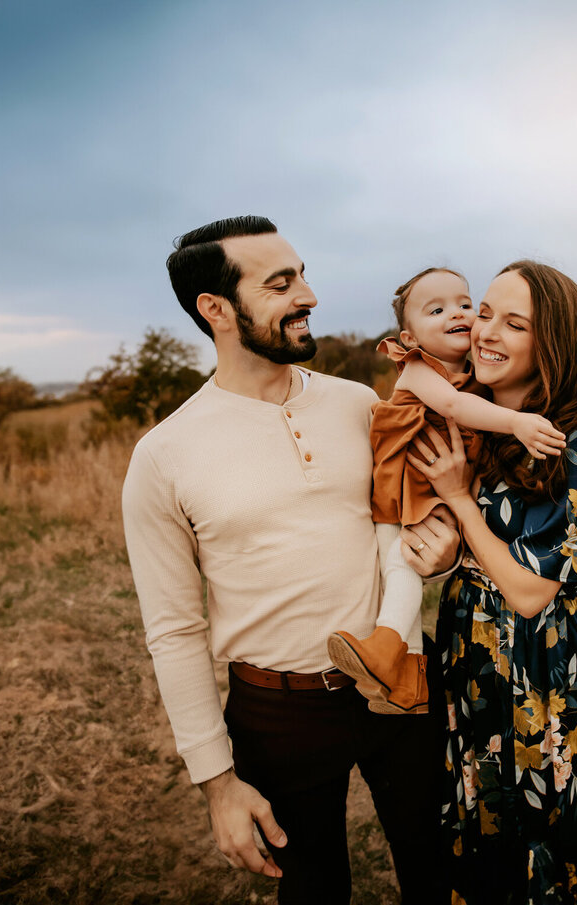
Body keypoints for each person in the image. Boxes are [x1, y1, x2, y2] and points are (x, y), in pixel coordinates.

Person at [121, 215, 459, 905]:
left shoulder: (359, 403)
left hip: (401, 686)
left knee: (441, 869)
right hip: (279, 714)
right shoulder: (163, 454)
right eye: (280, 283)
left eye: (302, 273)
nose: (308, 294)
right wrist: (218, 782)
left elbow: (405, 528)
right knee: (312, 891)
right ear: (215, 309)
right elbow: (174, 629)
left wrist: (443, 553)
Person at [410, 261, 577, 904]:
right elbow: (466, 550)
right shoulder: (470, 418)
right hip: (473, 645)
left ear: (551, 346)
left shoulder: (575, 438)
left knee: (545, 808)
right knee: (482, 807)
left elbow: (531, 594)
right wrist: (443, 548)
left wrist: (456, 499)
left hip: (544, 662)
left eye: (514, 324)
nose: (485, 332)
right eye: (484, 313)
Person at [328, 267, 564, 715]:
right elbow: (455, 407)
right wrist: (516, 422)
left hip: (438, 493)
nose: (455, 314)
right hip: (399, 496)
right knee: (398, 567)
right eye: (436, 310)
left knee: (408, 570)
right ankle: (389, 653)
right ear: (409, 336)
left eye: (464, 304)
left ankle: (404, 676)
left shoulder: (480, 374)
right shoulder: (419, 369)